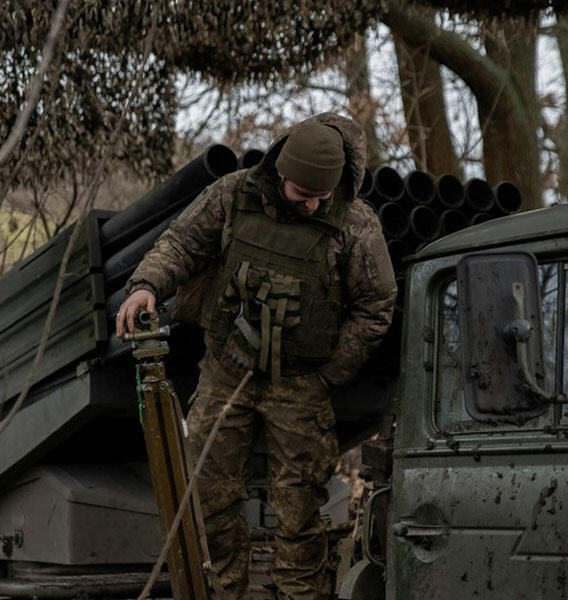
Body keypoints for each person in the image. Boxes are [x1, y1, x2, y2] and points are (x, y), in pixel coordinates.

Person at [116, 113, 397, 600]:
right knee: (206, 492)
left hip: (302, 386)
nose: (309, 205)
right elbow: (182, 242)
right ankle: (223, 591)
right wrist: (145, 286)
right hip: (228, 370)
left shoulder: (355, 223)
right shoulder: (234, 194)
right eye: (300, 193)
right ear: (281, 173)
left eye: (319, 198)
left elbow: (377, 305)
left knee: (300, 509)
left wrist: (330, 375)